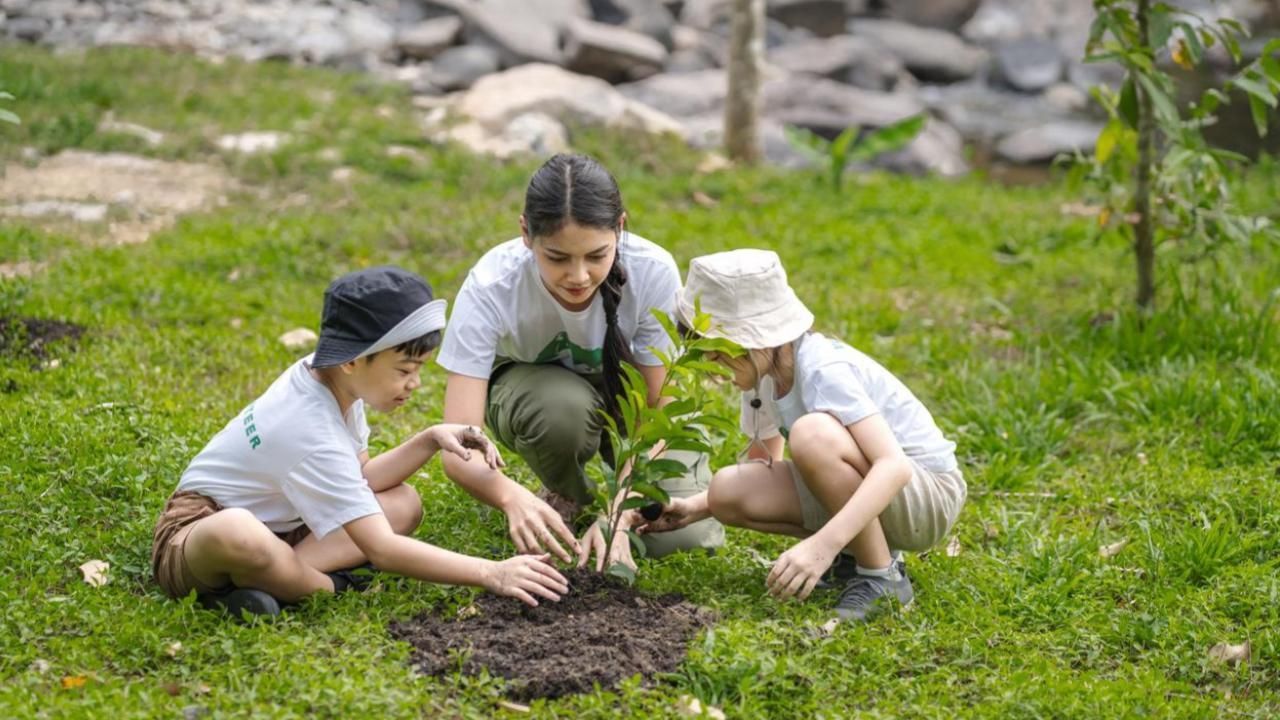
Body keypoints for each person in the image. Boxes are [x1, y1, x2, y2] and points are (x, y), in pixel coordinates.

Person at [150, 266, 567, 617]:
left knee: (404, 504)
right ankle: (324, 588)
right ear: (353, 360)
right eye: (405, 369)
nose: (415, 384)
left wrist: (430, 439)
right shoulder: (307, 427)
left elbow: (362, 477)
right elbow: (382, 550)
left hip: (287, 527)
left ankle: (269, 585)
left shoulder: (337, 384)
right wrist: (492, 572)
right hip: (196, 536)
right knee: (238, 532)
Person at [640, 249, 966, 622]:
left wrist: (822, 546)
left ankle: (882, 577)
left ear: (754, 338)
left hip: (929, 495)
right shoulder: (762, 378)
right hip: (885, 492)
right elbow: (762, 472)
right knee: (729, 490)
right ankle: (854, 560)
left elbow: (894, 466)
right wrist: (695, 508)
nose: (711, 364)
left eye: (717, 351)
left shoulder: (823, 368)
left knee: (812, 435)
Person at [436, 153, 724, 572]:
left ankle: (604, 498)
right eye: (557, 257)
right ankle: (568, 491)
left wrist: (619, 511)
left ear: (620, 228)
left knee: (682, 538)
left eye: (596, 255)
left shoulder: (652, 271)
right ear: (525, 234)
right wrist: (510, 495)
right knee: (562, 411)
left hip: (631, 402)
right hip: (540, 396)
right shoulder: (491, 286)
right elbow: (457, 444)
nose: (579, 276)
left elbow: (659, 406)